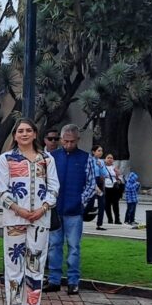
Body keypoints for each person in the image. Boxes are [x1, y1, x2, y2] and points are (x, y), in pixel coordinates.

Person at [0, 119, 58, 305]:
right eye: (20, 131)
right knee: (13, 265)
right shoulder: (6, 159)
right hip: (14, 219)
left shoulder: (46, 159)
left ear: (34, 134)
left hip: (41, 220)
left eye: (28, 130)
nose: (24, 134)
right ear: (14, 135)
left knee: (36, 265)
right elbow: (2, 190)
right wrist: (20, 210)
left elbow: (54, 188)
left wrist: (42, 209)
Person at [47, 124, 97, 295]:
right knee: (54, 245)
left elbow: (91, 184)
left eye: (72, 141)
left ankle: (73, 281)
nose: (68, 144)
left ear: (78, 140)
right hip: (55, 208)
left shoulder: (86, 158)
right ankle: (53, 279)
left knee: (74, 246)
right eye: (65, 141)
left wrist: (80, 201)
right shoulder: (52, 157)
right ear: (61, 139)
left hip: (74, 210)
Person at [92, 145, 108, 230]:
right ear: (93, 152)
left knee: (102, 202)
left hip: (99, 182)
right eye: (98, 150)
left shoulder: (101, 162)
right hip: (92, 182)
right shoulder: (90, 161)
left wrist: (101, 166)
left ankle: (99, 224)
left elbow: (105, 174)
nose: (101, 152)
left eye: (101, 151)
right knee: (89, 202)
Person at [103, 154, 122, 224]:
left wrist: (118, 176)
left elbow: (119, 177)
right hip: (106, 187)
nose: (110, 159)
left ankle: (117, 219)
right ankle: (110, 219)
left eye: (111, 158)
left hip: (114, 187)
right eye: (108, 158)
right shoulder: (103, 167)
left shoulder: (114, 168)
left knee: (115, 204)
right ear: (105, 159)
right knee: (107, 204)